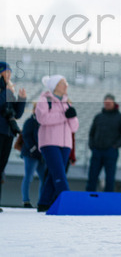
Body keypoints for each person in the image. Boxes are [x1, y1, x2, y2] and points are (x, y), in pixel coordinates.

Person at [35, 75, 79, 212]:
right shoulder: (44, 100)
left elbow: (74, 127)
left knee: (54, 173)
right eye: (63, 83)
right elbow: (42, 119)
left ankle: (44, 203)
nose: (66, 85)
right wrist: (64, 116)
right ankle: (68, 202)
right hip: (49, 142)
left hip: (66, 144)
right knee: (59, 173)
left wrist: (72, 116)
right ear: (55, 86)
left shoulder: (67, 103)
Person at [86, 94, 121, 192]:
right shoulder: (98, 117)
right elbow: (91, 133)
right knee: (92, 176)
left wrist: (116, 145)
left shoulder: (120, 117)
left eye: (109, 102)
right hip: (97, 151)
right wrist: (92, 145)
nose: (107, 104)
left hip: (110, 151)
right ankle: (89, 197)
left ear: (114, 103)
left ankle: (108, 198)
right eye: (106, 102)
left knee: (110, 177)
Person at [1, 62, 27, 211]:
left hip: (8, 133)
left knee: (1, 167)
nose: (9, 74)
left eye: (10, 72)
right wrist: (7, 91)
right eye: (6, 72)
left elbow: (16, 114)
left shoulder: (8, 90)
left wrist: (21, 99)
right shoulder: (5, 90)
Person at [20, 104, 46, 208]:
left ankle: (42, 200)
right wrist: (33, 148)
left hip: (41, 155)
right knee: (29, 176)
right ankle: (26, 200)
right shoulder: (30, 121)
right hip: (31, 154)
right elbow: (26, 136)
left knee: (44, 178)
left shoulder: (43, 122)